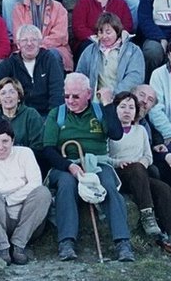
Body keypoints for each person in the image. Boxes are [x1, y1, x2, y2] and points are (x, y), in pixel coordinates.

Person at [41, 72, 134, 262]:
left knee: (108, 185)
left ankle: (123, 243)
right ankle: (66, 242)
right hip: (66, 163)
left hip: (97, 162)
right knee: (66, 185)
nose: (70, 100)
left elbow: (116, 134)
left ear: (88, 94)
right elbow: (48, 149)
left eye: (76, 96)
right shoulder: (57, 114)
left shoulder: (100, 111)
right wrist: (69, 166)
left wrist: (108, 105)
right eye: (67, 96)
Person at [107, 91, 171, 258]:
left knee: (163, 189)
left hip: (140, 173)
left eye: (131, 107)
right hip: (119, 173)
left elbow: (148, 156)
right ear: (115, 109)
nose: (127, 111)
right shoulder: (110, 131)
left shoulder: (140, 130)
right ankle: (147, 214)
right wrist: (118, 162)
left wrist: (143, 163)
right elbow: (105, 156)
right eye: (123, 107)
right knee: (136, 169)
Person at [0, 117, 52, 265]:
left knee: (43, 193)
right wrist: (20, 182)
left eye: (5, 141)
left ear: (12, 140)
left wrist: (7, 200)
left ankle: (19, 245)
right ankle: (2, 248)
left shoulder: (25, 153)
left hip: (27, 220)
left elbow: (35, 184)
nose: (1, 146)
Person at [0, 25, 66, 117]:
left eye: (33, 40)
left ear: (40, 43)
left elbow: (57, 90)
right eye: (24, 40)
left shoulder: (49, 59)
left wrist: (52, 116)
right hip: (18, 116)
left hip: (46, 114)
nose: (29, 43)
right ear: (18, 45)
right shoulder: (11, 63)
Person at [75, 12, 145, 105]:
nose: (104, 36)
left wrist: (114, 94)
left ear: (117, 31)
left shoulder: (133, 50)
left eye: (108, 32)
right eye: (101, 32)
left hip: (124, 102)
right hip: (95, 102)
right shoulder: (89, 51)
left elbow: (135, 77)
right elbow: (80, 75)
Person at [10, 0, 72, 70]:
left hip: (54, 48)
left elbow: (60, 36)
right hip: (26, 48)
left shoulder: (58, 7)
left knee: (51, 55)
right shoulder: (19, 8)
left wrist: (39, 46)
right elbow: (19, 34)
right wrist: (33, 46)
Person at [69, 0, 134, 58]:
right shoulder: (83, 3)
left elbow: (127, 25)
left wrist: (113, 39)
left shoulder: (121, 3)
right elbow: (78, 28)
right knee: (88, 48)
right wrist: (99, 39)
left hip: (116, 41)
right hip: (91, 42)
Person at [0, 76, 45, 151]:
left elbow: (37, 146)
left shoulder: (31, 115)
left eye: (12, 92)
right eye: (3, 93)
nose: (8, 96)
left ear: (19, 97)